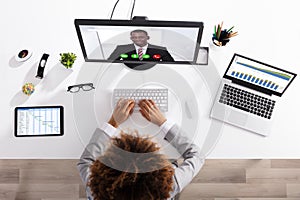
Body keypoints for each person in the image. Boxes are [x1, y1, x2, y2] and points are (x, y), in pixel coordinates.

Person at [77, 99, 205, 200]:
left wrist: (113, 122)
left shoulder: (97, 188)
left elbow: (85, 161)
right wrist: (163, 123)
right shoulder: (170, 185)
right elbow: (196, 155)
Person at [108, 30, 175, 62]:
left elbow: (171, 65)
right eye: (134, 37)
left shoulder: (160, 50)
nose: (137, 39)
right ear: (131, 38)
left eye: (141, 37)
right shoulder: (121, 49)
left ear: (148, 37)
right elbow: (110, 63)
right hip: (128, 77)